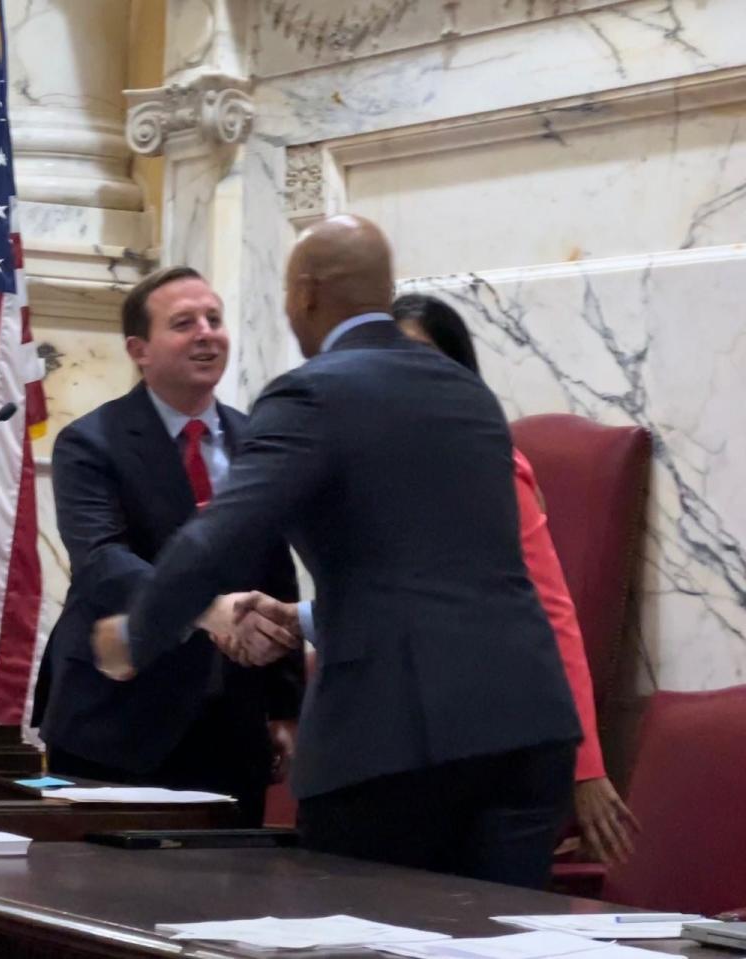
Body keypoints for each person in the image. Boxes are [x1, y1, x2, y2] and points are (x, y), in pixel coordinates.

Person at [92, 215, 582, 890]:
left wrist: (136, 632)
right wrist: (300, 619)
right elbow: (431, 570)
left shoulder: (313, 392)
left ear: (307, 291)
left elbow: (218, 536)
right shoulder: (467, 393)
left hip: (395, 740)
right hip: (527, 733)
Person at [31, 266, 304, 826]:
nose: (206, 333)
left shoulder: (259, 440)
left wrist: (284, 706)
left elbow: (276, 572)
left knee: (226, 900)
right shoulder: (90, 442)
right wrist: (205, 608)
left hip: (231, 722)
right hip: (117, 718)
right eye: (184, 323)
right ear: (140, 349)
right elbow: (103, 563)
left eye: (214, 319)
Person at [392, 292, 640, 865]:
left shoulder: (492, 468)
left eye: (426, 359)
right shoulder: (378, 465)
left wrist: (586, 767)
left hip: (497, 749)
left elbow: (552, 614)